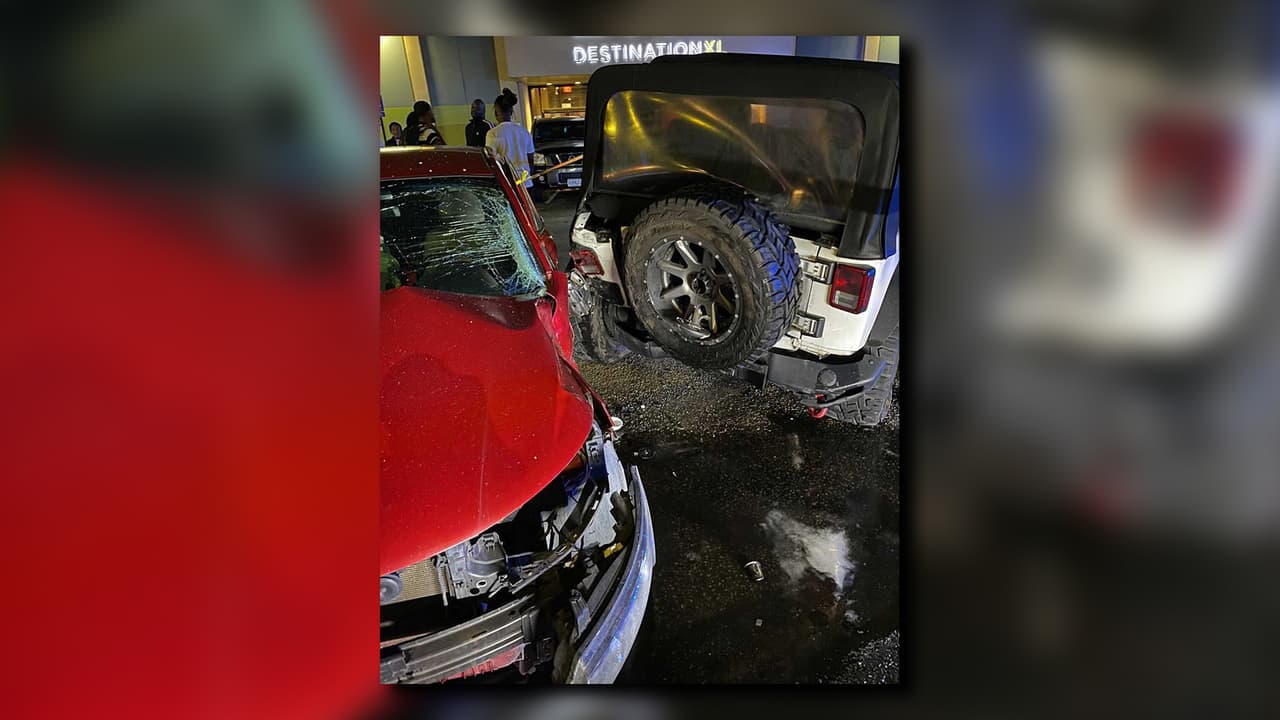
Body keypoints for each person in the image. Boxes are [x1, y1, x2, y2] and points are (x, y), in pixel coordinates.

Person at [485, 88, 536, 194]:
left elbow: (492, 160)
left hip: (506, 183)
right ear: (511, 112)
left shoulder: (492, 133)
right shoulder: (524, 132)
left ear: (496, 112)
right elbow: (530, 159)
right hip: (525, 182)